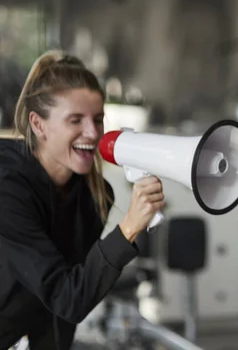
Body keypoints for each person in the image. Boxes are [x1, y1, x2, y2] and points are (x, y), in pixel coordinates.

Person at [0, 51, 165, 350]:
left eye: (98, 119)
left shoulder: (94, 196)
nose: (92, 132)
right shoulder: (7, 190)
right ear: (38, 125)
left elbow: (62, 309)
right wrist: (128, 228)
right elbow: (66, 297)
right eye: (75, 120)